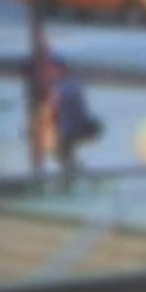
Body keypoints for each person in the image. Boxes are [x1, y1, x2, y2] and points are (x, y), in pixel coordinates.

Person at [48, 58, 102, 192]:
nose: (52, 73)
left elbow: (57, 108)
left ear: (61, 70)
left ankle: (73, 182)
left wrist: (53, 120)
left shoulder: (65, 87)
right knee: (66, 156)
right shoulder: (73, 85)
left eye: (54, 71)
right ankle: (79, 181)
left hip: (70, 128)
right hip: (72, 126)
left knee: (63, 155)